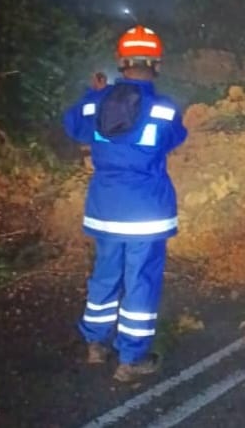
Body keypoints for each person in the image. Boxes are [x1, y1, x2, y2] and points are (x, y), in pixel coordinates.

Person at [63, 24, 188, 382]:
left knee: (104, 274)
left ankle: (95, 344)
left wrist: (94, 94)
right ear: (157, 65)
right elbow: (174, 138)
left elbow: (73, 126)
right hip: (146, 212)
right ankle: (130, 359)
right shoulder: (164, 109)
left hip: (106, 209)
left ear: (121, 62)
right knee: (141, 281)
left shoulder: (97, 102)